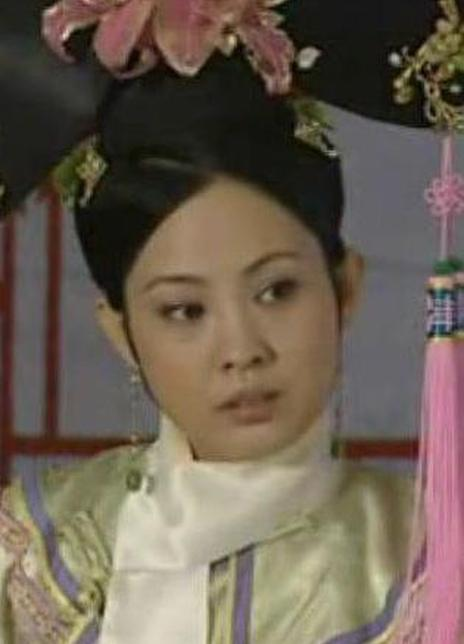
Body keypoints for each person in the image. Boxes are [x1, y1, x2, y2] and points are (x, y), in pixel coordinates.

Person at [0, 1, 460, 642]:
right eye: (184, 310)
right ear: (121, 333)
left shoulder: (427, 561)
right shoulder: (37, 552)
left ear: (344, 289)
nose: (241, 350)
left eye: (277, 291)